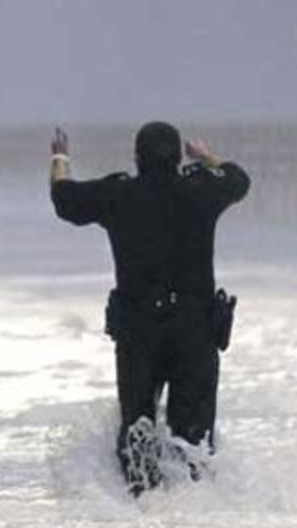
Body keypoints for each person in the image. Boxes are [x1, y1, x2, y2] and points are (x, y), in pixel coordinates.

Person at [49, 122, 250, 496]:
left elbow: (63, 199)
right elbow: (238, 180)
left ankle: (143, 510)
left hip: (140, 330)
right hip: (195, 329)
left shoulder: (119, 194)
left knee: (138, 431)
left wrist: (60, 157)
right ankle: (196, 512)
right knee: (194, 439)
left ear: (137, 158)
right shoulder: (201, 191)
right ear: (178, 158)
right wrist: (206, 157)